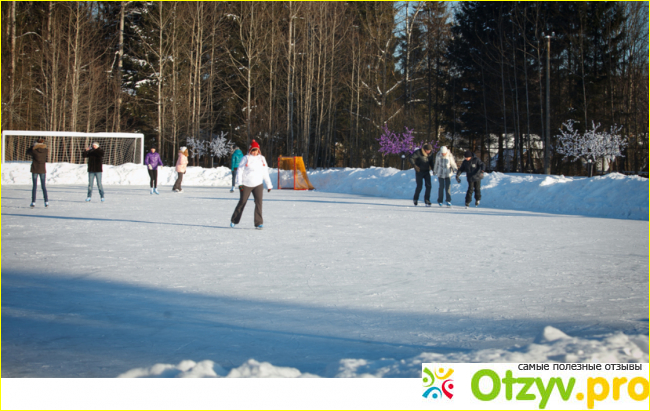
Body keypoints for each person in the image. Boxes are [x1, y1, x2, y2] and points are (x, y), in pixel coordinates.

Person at [230, 140, 272, 229]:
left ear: (258, 150)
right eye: (253, 150)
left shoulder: (262, 158)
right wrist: (240, 184)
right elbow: (240, 171)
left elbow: (265, 172)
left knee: (259, 203)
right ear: (250, 150)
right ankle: (234, 220)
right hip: (246, 184)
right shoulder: (245, 158)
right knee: (242, 202)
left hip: (258, 184)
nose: (254, 152)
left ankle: (259, 223)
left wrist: (269, 185)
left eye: (256, 150)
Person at [26, 138, 49, 208]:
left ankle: (33, 202)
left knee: (34, 186)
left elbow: (28, 152)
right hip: (42, 169)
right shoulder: (45, 150)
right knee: (43, 186)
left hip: (35, 169)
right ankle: (46, 201)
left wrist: (33, 146)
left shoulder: (34, 151)